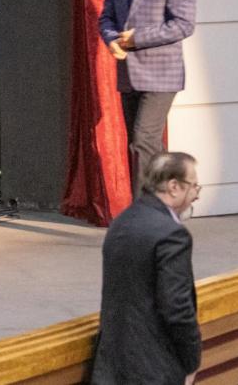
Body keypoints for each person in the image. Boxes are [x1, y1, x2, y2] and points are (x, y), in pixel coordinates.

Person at [98, 0, 196, 192]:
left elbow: (184, 24)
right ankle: (167, 200)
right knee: (143, 143)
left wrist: (137, 38)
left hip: (161, 74)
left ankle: (146, 209)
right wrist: (112, 40)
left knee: (144, 139)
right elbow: (106, 17)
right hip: (129, 73)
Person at [91, 151, 202, 384]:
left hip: (111, 365)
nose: (196, 195)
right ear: (174, 186)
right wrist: (191, 362)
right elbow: (177, 307)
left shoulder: (121, 222)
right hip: (154, 369)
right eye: (194, 186)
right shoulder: (172, 235)